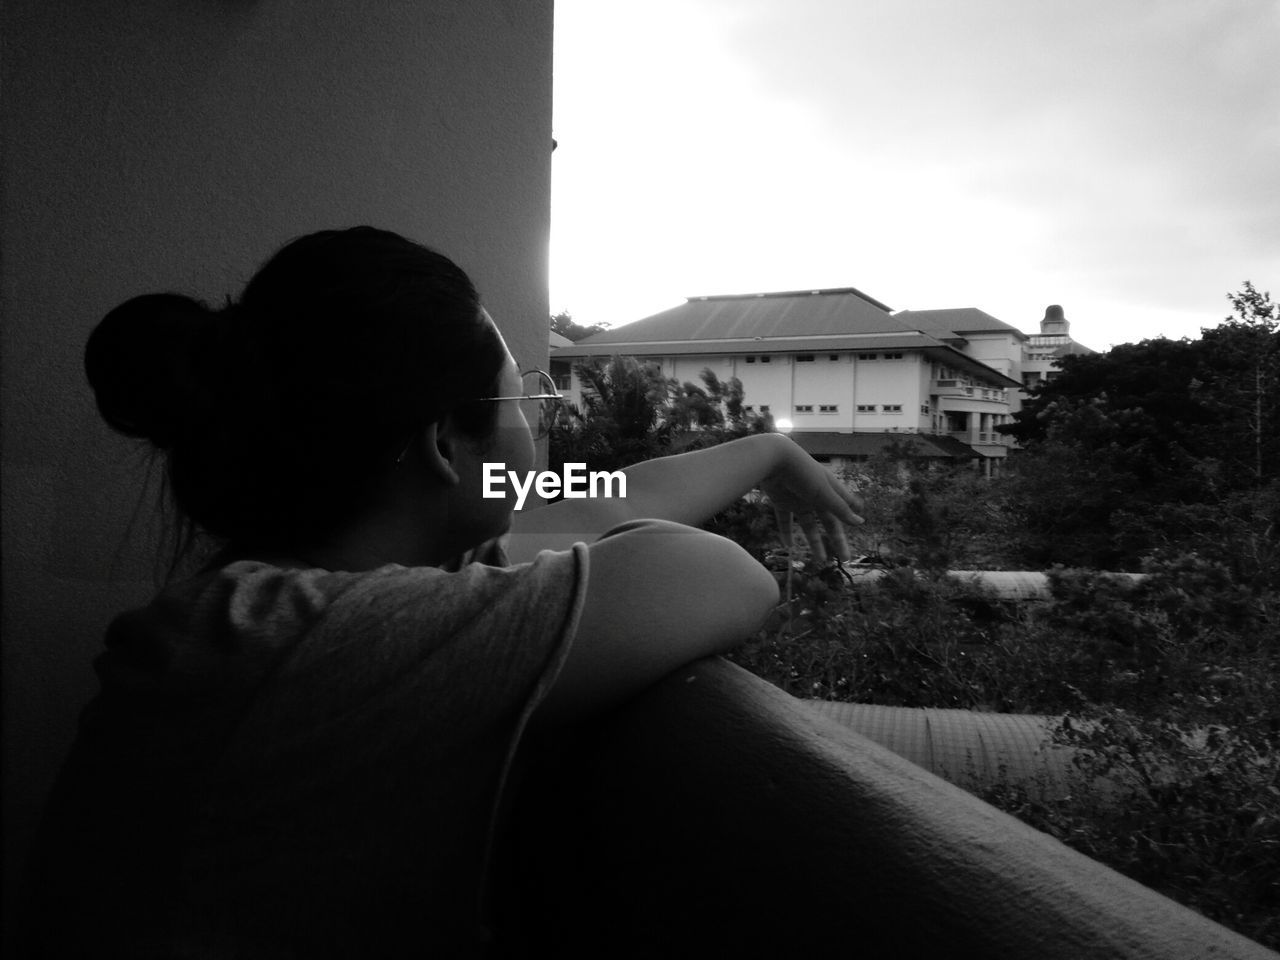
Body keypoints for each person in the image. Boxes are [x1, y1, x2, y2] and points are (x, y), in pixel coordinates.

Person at [23, 226, 863, 957]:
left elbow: (615, 498)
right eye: (524, 399)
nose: (538, 423)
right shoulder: (310, 639)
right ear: (443, 445)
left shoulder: (296, 601)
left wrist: (767, 454)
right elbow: (724, 578)